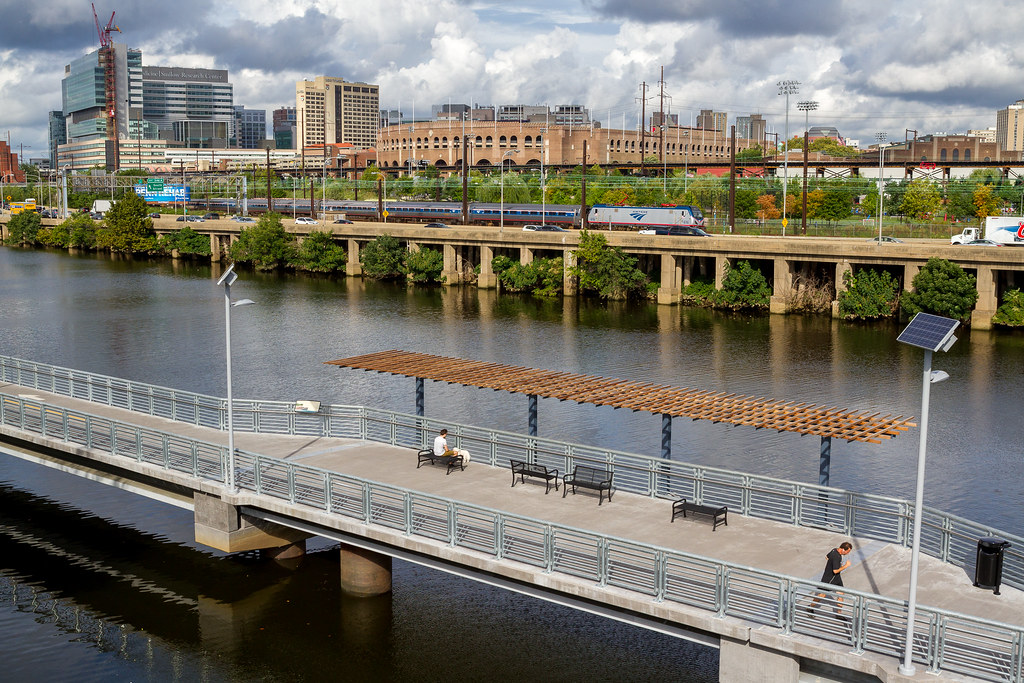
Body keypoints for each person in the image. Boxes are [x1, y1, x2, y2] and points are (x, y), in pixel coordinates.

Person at [810, 541, 853, 618]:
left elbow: (827, 557)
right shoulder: (837, 556)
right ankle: (810, 607)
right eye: (847, 551)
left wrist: (834, 564)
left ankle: (839, 614)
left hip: (837, 578)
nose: (847, 553)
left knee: (841, 594)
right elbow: (835, 571)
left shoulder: (834, 550)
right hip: (829, 578)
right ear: (843, 549)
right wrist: (846, 566)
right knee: (821, 595)